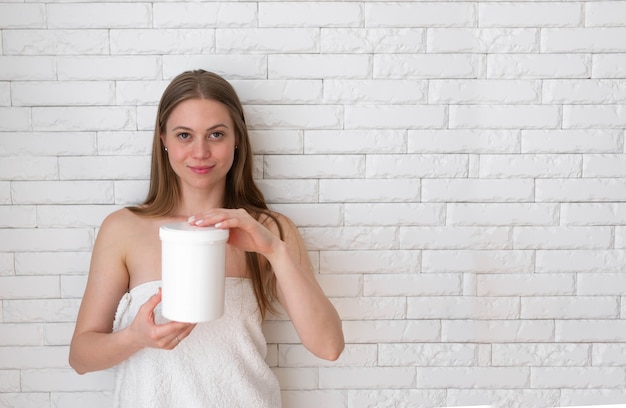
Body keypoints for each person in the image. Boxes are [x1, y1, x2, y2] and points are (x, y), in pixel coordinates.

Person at [69, 69, 344, 407]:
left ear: (237, 139)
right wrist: (134, 337)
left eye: (216, 134)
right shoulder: (123, 229)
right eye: (184, 135)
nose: (200, 152)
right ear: (163, 140)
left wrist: (273, 249)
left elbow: (328, 346)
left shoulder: (269, 230)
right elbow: (81, 357)